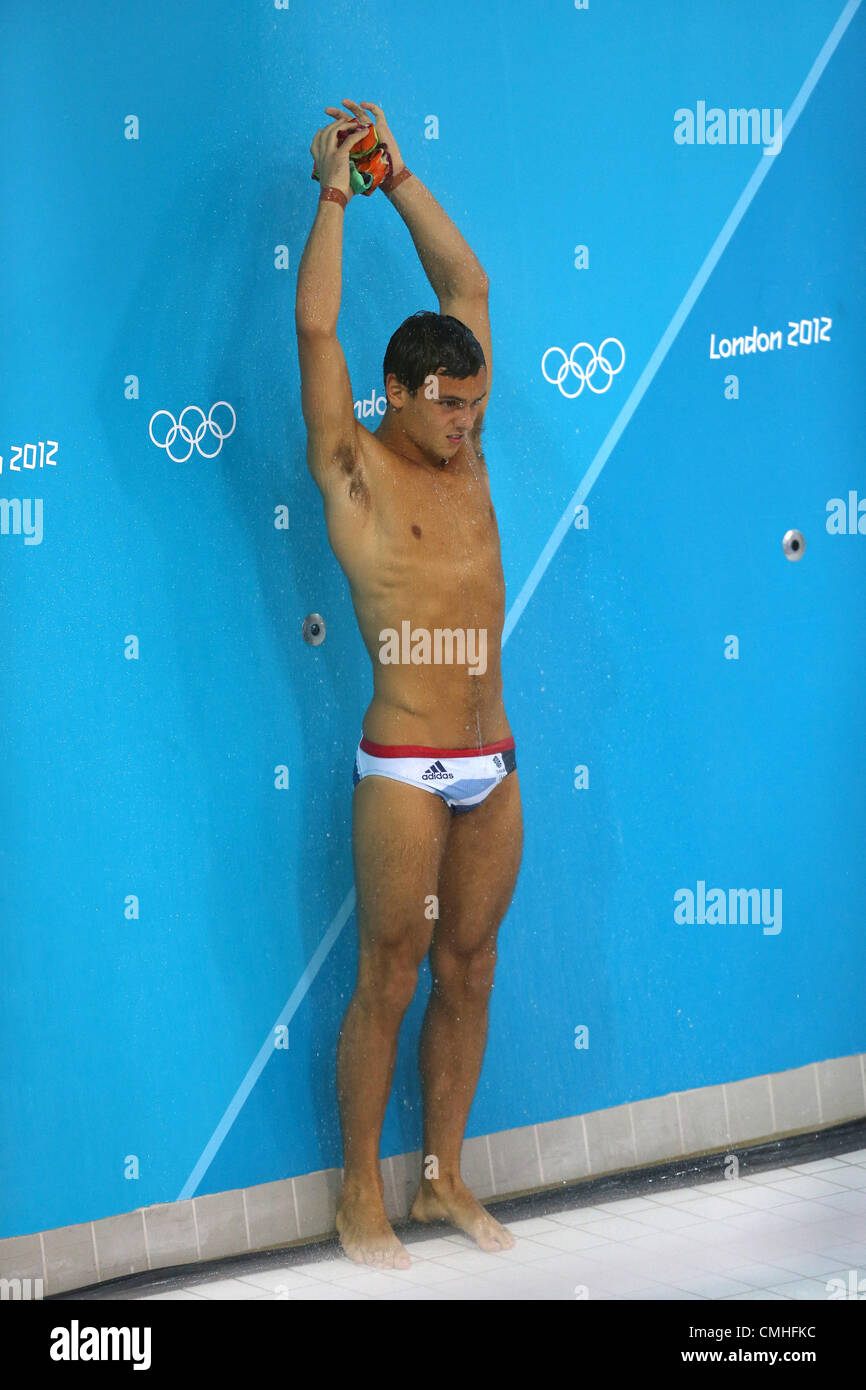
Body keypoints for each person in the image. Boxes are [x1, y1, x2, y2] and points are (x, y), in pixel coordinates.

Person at [296, 99, 523, 1270]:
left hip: (492, 757)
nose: (468, 427)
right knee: (389, 971)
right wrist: (336, 195)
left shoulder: (466, 437)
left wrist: (397, 174)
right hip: (403, 761)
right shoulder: (357, 473)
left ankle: (438, 1178)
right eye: (448, 407)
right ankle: (356, 1196)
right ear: (398, 391)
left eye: (475, 406)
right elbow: (317, 332)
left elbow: (466, 283)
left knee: (469, 966)